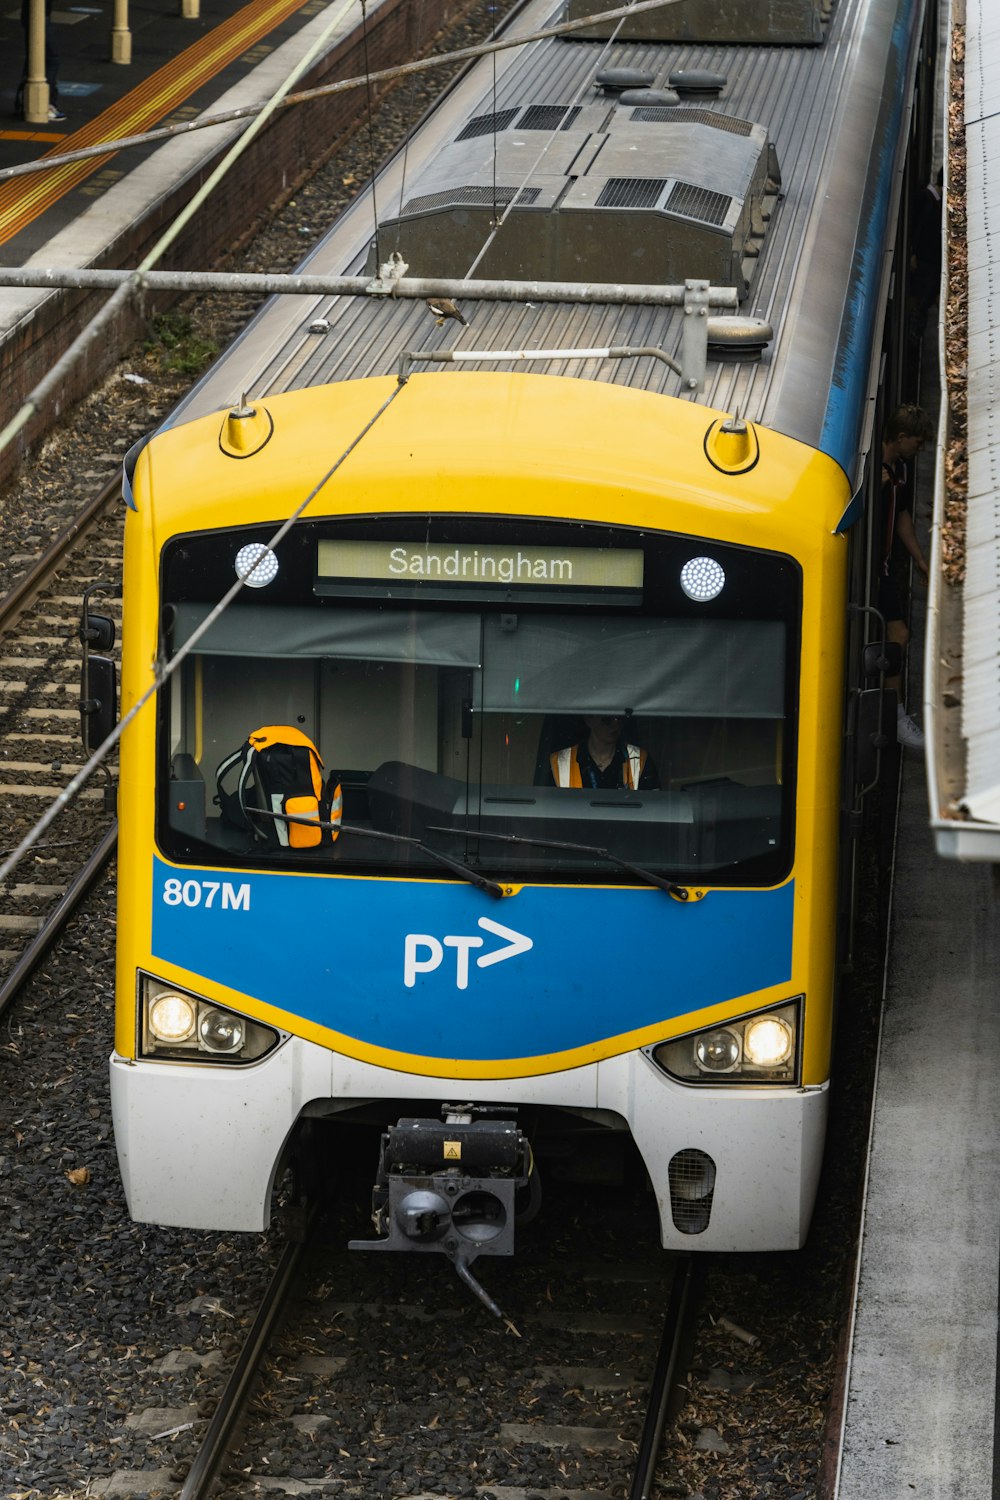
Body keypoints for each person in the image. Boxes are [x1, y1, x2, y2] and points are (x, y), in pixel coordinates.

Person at [880, 404, 934, 748]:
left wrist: (919, 559)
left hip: (886, 566)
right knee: (898, 635)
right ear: (901, 438)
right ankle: (895, 717)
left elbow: (901, 518)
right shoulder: (876, 473)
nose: (920, 450)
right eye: (917, 443)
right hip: (875, 571)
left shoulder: (899, 469)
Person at [545, 714, 660, 790]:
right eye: (607, 719)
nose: (615, 725)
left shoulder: (640, 760)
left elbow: (654, 810)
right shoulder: (559, 762)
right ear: (589, 720)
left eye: (620, 718)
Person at [17, 0, 64, 123]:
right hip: (38, 16)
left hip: (35, 15)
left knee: (35, 57)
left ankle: (27, 101)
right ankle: (46, 104)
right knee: (51, 59)